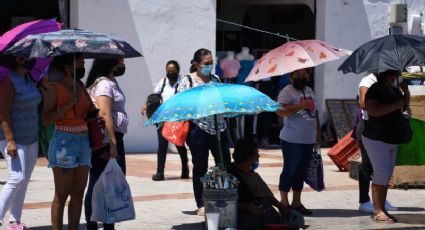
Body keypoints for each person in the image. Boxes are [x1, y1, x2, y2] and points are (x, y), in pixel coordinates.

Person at [177, 48, 231, 216]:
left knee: (224, 164)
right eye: (206, 64)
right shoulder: (188, 82)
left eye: (211, 63)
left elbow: (222, 100)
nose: (209, 67)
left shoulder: (216, 79)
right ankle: (201, 202)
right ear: (196, 64)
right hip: (198, 130)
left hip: (219, 128)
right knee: (200, 166)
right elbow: (181, 104)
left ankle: (224, 197)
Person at [42, 53, 91, 230]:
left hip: (84, 141)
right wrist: (66, 106)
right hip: (64, 141)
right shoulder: (55, 88)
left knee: (78, 193)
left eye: (83, 63)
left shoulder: (81, 85)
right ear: (68, 68)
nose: (83, 66)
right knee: (62, 194)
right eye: (80, 63)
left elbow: (87, 112)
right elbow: (46, 119)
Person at [84, 57, 129, 230]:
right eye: (120, 62)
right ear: (110, 63)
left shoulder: (111, 81)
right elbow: (105, 114)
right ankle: (94, 224)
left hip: (113, 138)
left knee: (109, 183)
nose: (123, 65)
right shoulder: (104, 84)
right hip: (107, 139)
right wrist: (112, 145)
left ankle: (107, 223)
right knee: (98, 183)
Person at [362, 70, 411, 223]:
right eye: (393, 75)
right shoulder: (375, 90)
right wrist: (394, 105)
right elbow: (373, 110)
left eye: (396, 75)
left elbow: (403, 107)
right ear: (385, 75)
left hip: (391, 139)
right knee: (381, 174)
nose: (395, 78)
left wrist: (406, 91)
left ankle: (382, 208)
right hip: (376, 138)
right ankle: (377, 211)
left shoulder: (395, 90)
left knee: (386, 176)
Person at [0, 55, 41, 229]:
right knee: (17, 178)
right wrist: (10, 140)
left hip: (32, 137)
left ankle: (15, 220)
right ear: (19, 59)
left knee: (24, 180)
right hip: (13, 139)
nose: (34, 59)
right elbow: (3, 112)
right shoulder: (9, 81)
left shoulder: (30, 79)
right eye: (30, 56)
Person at [228, 138, 304, 230]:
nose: (258, 156)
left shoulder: (252, 174)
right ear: (248, 157)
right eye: (256, 153)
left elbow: (266, 194)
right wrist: (247, 207)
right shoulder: (230, 174)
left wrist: (281, 207)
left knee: (297, 219)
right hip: (240, 215)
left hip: (261, 210)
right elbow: (224, 203)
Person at [275, 68, 320, 216]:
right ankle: (284, 202)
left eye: (305, 74)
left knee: (300, 172)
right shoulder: (287, 91)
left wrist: (318, 134)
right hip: (292, 139)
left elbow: (315, 114)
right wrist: (301, 106)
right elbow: (279, 111)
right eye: (298, 74)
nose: (302, 77)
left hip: (308, 138)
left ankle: (296, 202)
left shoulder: (309, 90)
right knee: (290, 170)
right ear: (291, 76)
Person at [356, 73, 397, 213]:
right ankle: (364, 201)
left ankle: (381, 200)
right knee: (367, 166)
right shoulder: (368, 81)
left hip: (384, 129)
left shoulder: (390, 83)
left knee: (383, 169)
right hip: (369, 127)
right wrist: (385, 106)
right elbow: (363, 103)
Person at [148, 60, 189, 181]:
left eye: (173, 71)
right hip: (163, 119)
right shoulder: (163, 82)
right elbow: (154, 96)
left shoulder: (182, 84)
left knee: (179, 145)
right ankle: (160, 173)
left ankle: (185, 169)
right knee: (162, 146)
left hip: (177, 119)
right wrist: (147, 105)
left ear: (178, 71)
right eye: (168, 71)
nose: (170, 73)